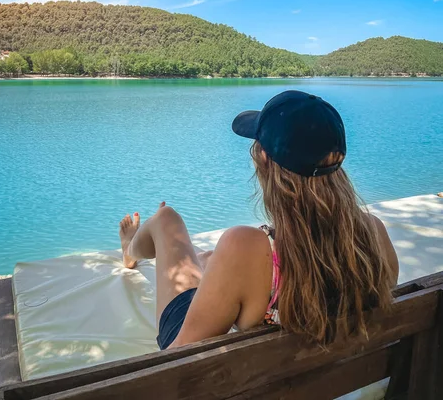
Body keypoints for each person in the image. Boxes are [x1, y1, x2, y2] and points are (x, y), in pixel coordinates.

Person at [119, 90, 399, 351]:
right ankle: (200, 263)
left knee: (166, 220)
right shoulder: (373, 234)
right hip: (332, 377)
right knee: (209, 258)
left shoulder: (247, 245)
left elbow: (180, 361)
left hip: (237, 376)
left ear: (264, 159)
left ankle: (131, 251)